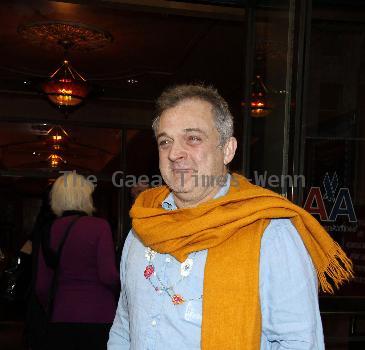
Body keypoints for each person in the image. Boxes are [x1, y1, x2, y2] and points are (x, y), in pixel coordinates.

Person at [108, 84, 353, 349]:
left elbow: (299, 342)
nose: (174, 153)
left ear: (227, 149)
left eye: (193, 138)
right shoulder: (143, 227)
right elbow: (124, 328)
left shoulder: (270, 233)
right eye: (165, 141)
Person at [36, 172, 119, 350]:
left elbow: (42, 285)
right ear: (85, 197)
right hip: (99, 313)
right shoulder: (100, 226)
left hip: (61, 314)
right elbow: (108, 275)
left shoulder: (49, 229)